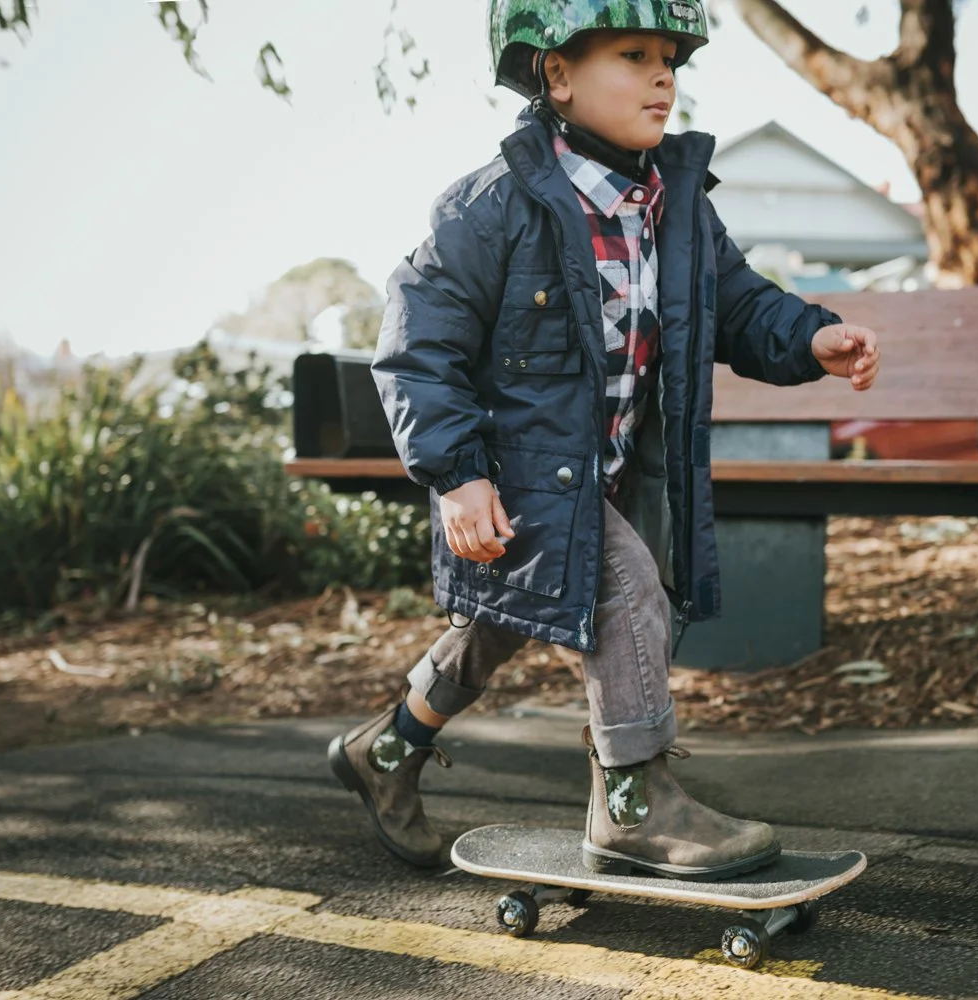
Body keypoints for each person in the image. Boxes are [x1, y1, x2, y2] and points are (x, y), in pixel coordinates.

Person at [328, 0, 880, 881]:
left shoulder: (675, 204)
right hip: (519, 473)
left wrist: (810, 337)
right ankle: (633, 803)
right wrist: (459, 476)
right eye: (634, 54)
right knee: (628, 594)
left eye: (672, 59)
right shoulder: (493, 207)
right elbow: (416, 347)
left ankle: (386, 751)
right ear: (557, 74)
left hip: (611, 472)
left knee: (507, 616)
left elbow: (737, 302)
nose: (664, 76)